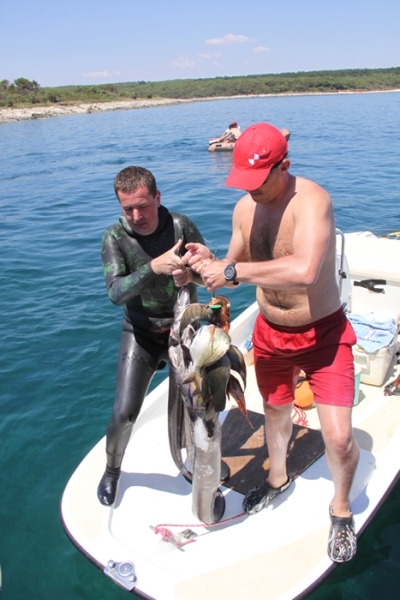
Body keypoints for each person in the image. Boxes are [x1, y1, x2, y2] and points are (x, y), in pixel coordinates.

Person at [184, 122, 360, 563]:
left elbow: (303, 270)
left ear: (284, 166)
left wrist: (232, 272)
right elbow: (235, 266)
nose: (250, 192)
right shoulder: (245, 208)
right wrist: (211, 264)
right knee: (277, 414)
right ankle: (278, 478)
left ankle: (341, 510)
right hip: (270, 334)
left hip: (324, 336)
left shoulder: (312, 201)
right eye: (243, 181)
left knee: (338, 439)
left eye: (258, 182)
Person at [97, 166, 206, 506]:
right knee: (125, 413)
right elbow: (116, 293)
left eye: (143, 205)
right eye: (127, 208)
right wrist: (153, 267)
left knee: (200, 408)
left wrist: (193, 274)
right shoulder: (115, 237)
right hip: (141, 333)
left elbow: (209, 274)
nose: (136, 215)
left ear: (158, 198)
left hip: (184, 327)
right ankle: (113, 471)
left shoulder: (180, 225)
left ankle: (204, 467)